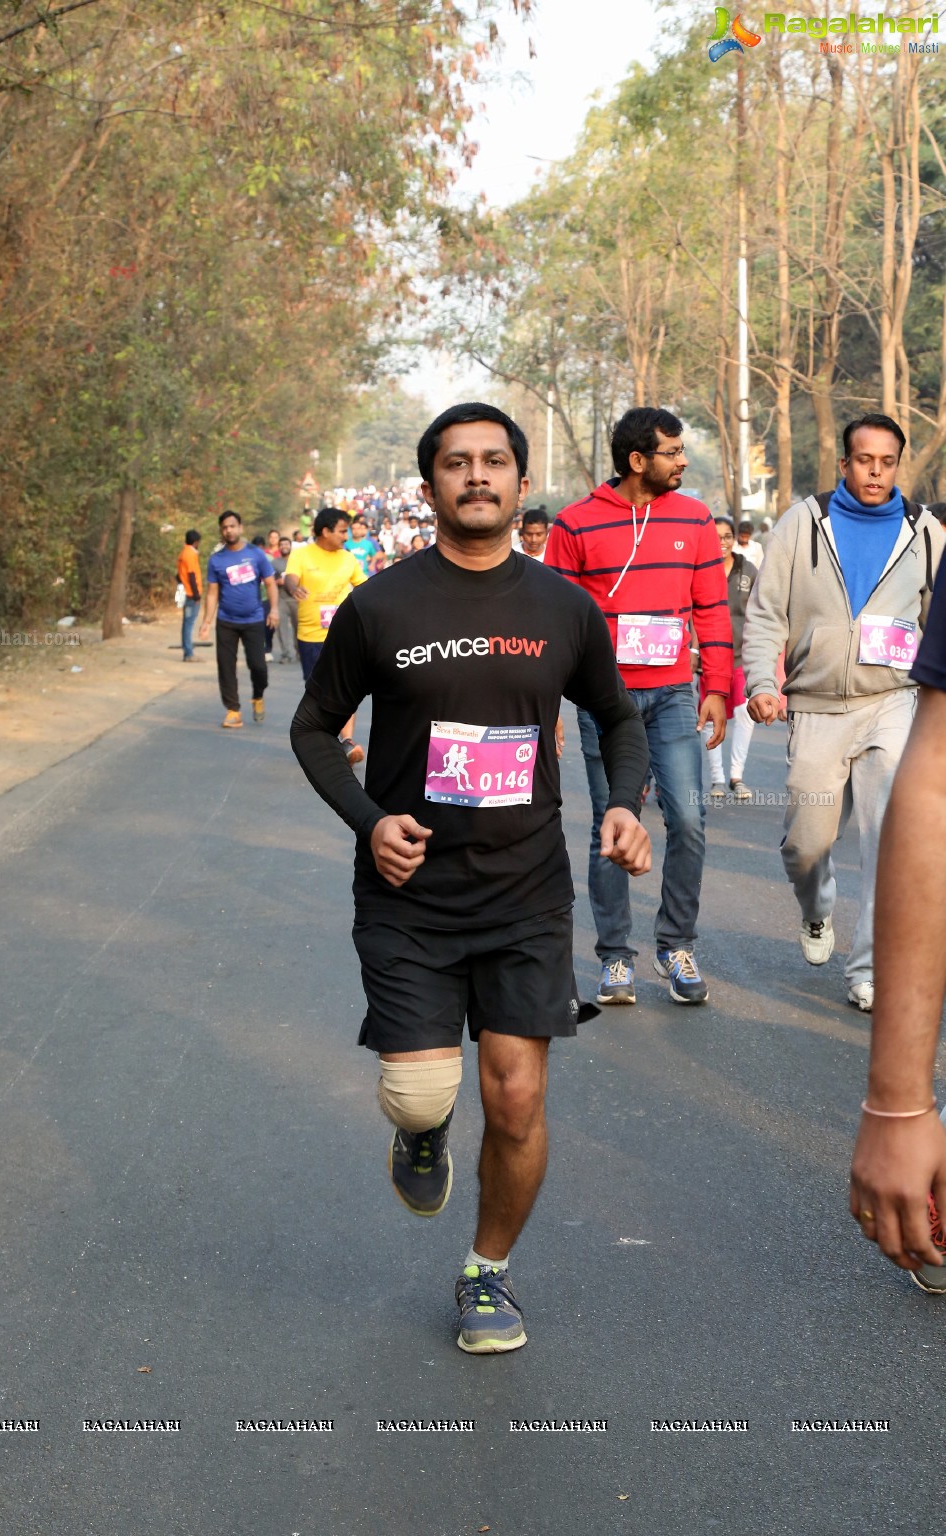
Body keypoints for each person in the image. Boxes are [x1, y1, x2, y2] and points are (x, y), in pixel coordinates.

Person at [289, 402, 650, 1354]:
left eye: (495, 462)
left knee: (519, 1098)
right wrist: (371, 825)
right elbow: (313, 730)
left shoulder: (563, 608)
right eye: (458, 463)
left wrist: (623, 803)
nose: (477, 476)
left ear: (523, 486)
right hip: (408, 896)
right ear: (430, 486)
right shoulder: (382, 605)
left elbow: (619, 718)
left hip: (526, 893)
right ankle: (420, 1129)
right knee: (419, 1095)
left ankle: (485, 1275)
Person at [743, 413, 943, 1011]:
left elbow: (939, 625)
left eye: (886, 462)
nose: (875, 472)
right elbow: (764, 614)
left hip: (893, 702)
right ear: (844, 463)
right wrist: (760, 681)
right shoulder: (802, 525)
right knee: (806, 842)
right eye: (864, 461)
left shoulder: (927, 533)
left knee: (892, 843)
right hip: (816, 707)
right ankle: (816, 906)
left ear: (897, 465)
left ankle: (868, 970)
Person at [546, 406, 732, 1007]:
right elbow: (557, 628)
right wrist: (550, 704)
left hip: (677, 692)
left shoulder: (697, 518)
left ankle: (676, 945)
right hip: (606, 700)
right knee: (612, 822)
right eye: (672, 452)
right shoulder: (574, 525)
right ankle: (615, 958)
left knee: (689, 821)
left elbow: (711, 609)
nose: (683, 462)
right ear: (637, 460)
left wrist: (717, 688)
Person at [849, 554, 946, 1291]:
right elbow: (938, 779)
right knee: (810, 837)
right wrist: (899, 1100)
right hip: (829, 706)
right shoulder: (802, 530)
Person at [283, 507, 367, 763]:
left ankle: (348, 742)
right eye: (342, 531)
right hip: (310, 636)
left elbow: (364, 587)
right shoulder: (302, 554)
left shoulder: (348, 558)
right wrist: (294, 588)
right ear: (325, 531)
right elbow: (290, 578)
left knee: (347, 688)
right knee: (319, 692)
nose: (346, 536)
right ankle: (324, 740)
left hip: (342, 636)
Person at [199, 510, 279, 728]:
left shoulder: (256, 554)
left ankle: (258, 696)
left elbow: (270, 583)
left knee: (259, 667)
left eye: (232, 526)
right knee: (226, 666)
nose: (229, 530)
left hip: (253, 619)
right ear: (221, 531)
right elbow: (213, 592)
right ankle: (233, 710)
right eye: (224, 527)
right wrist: (207, 621)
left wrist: (273, 610)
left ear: (240, 528)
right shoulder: (216, 560)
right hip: (226, 621)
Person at [702, 516, 757, 799]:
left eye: (726, 536)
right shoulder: (700, 568)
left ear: (734, 539)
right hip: (710, 658)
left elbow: (761, 612)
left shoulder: (748, 570)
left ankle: (736, 775)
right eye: (716, 536)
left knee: (745, 713)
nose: (721, 542)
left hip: (741, 656)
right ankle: (717, 779)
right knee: (710, 717)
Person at [270, 535, 298, 663]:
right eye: (282, 545)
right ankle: (286, 654)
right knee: (282, 629)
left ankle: (300, 652)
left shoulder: (298, 561)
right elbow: (269, 581)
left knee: (298, 628)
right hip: (281, 599)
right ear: (279, 547)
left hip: (297, 599)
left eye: (286, 544)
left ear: (290, 546)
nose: (284, 547)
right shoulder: (274, 563)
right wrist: (278, 581)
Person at [176, 529, 202, 663]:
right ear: (196, 542)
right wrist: (196, 596)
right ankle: (188, 653)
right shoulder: (190, 554)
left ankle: (188, 651)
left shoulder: (183, 553)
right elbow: (192, 576)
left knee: (186, 623)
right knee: (189, 624)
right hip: (191, 594)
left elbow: (179, 576)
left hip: (184, 591)